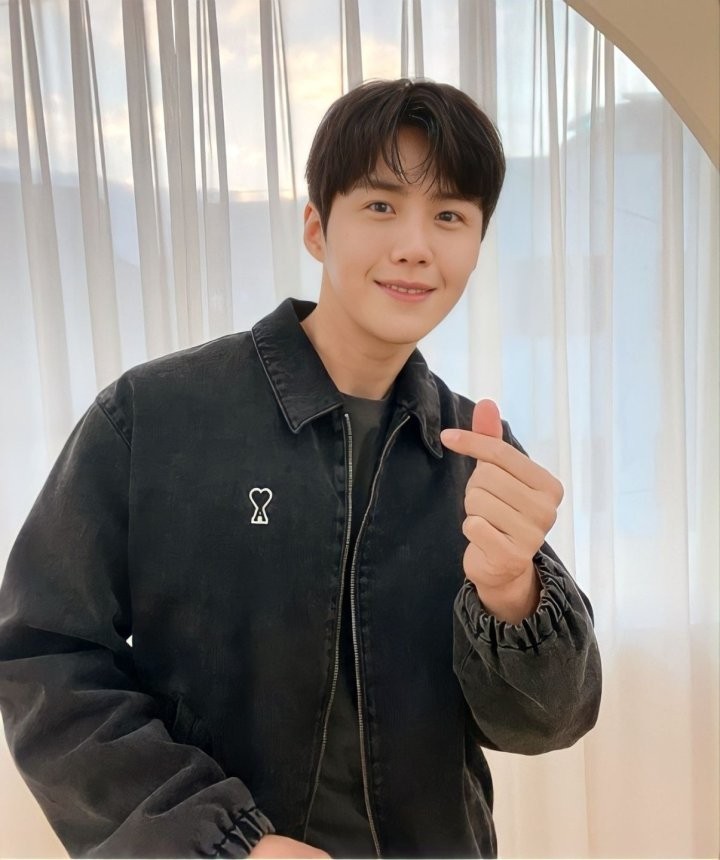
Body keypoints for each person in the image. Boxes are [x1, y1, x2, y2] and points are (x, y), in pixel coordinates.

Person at [0, 78, 601, 859]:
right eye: (380, 205)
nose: (415, 245)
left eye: (449, 216)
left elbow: (545, 724)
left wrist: (514, 593)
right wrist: (227, 843)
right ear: (317, 228)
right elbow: (43, 655)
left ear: (477, 245)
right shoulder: (156, 415)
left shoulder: (475, 452)